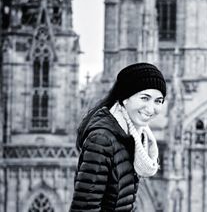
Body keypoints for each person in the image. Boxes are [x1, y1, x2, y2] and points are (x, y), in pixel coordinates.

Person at [69, 62, 167, 211]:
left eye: (158, 101)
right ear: (125, 98)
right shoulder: (101, 140)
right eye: (144, 98)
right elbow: (84, 207)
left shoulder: (134, 136)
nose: (151, 109)